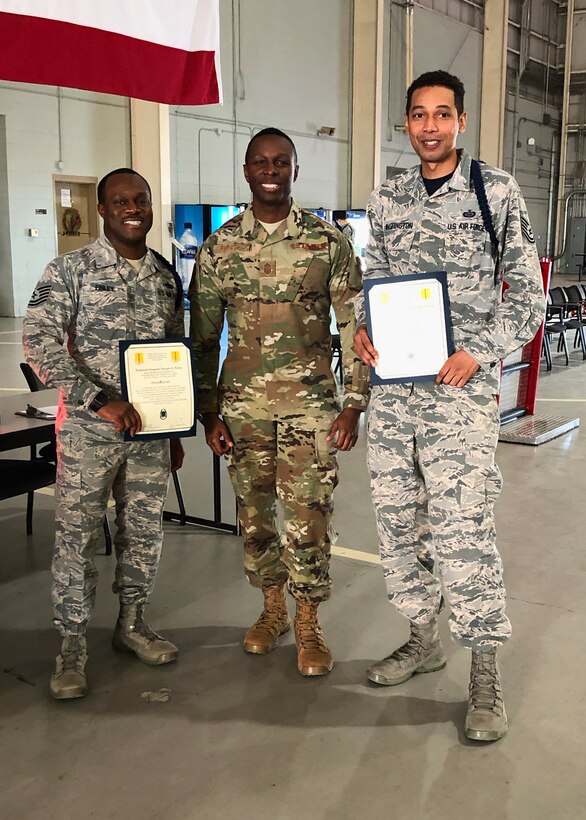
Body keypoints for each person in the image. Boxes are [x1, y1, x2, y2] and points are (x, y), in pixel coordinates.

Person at [353, 71, 545, 740]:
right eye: (417, 114)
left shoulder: (495, 193)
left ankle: (484, 673)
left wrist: (481, 351)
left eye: (441, 114)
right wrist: (361, 326)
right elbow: (370, 280)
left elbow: (528, 299)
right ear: (405, 123)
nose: (428, 125)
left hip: (459, 399)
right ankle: (421, 638)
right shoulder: (387, 198)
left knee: (463, 533)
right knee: (399, 525)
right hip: (394, 401)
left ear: (460, 121)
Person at [190, 128, 369, 676]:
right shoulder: (220, 247)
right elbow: (201, 335)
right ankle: (273, 612)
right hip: (242, 409)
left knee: (309, 516)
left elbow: (355, 323)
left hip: (311, 408)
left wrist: (354, 402)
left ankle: (310, 621)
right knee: (256, 517)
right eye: (260, 162)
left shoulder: (327, 243)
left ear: (295, 170)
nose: (270, 171)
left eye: (281, 162)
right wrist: (208, 411)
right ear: (247, 170)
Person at [23, 168, 185, 700]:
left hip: (150, 436)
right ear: (102, 209)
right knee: (78, 538)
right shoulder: (69, 270)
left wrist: (176, 426)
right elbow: (40, 344)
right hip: (90, 434)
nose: (132, 208)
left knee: (144, 533)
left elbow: (174, 354)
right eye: (121, 201)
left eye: (141, 199)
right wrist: (100, 400)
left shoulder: (164, 275)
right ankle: (71, 646)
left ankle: (132, 624)